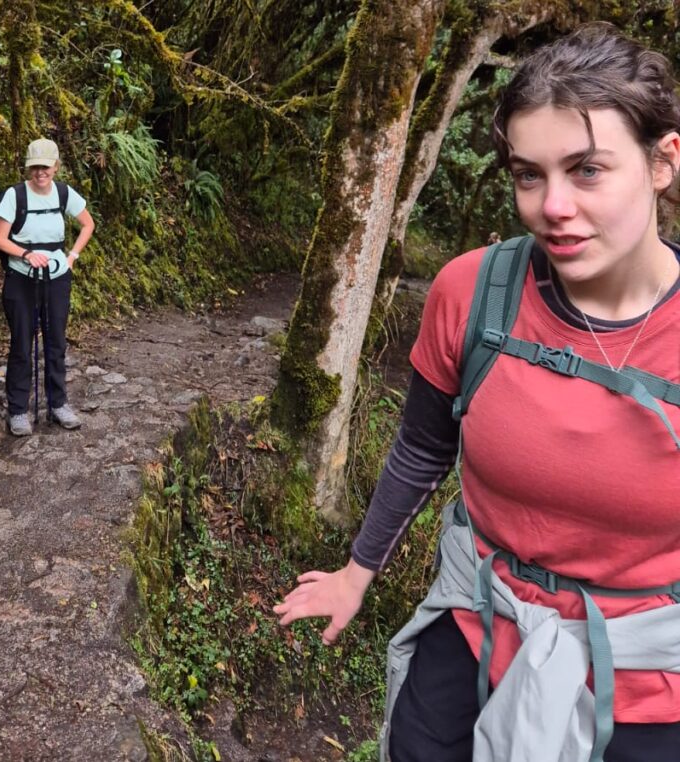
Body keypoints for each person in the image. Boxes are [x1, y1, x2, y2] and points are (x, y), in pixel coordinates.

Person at [274, 23, 680, 762]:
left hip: (646, 680)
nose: (552, 206)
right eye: (529, 175)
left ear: (663, 161)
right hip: (477, 627)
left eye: (587, 170)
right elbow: (423, 449)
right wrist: (356, 576)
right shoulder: (473, 292)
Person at [0, 138, 95, 436]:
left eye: (46, 167)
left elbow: (88, 224)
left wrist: (72, 257)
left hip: (57, 277)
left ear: (56, 167)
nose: (40, 172)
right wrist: (25, 254)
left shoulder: (63, 193)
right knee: (22, 343)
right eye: (35, 167)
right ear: (28, 168)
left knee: (56, 341)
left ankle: (58, 403)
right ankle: (18, 410)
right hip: (21, 278)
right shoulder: (14, 195)